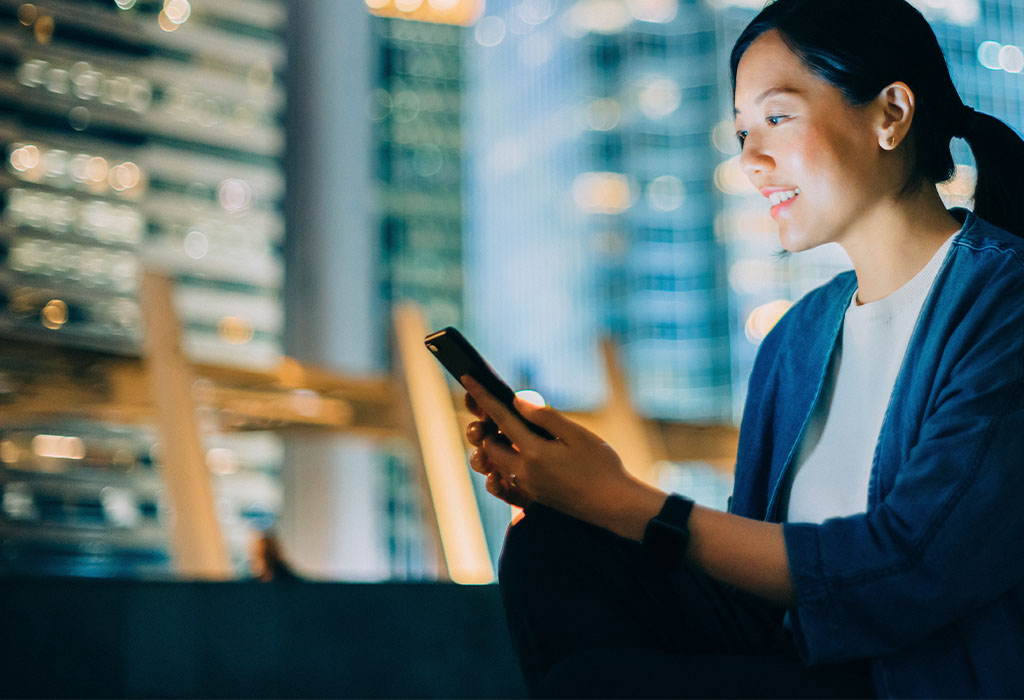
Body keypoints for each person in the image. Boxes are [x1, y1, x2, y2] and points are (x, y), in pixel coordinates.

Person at [460, 0, 1024, 697]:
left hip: (920, 681)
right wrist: (582, 492)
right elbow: (752, 568)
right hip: (797, 658)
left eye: (777, 118)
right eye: (741, 133)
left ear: (891, 114)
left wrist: (623, 498)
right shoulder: (798, 338)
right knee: (555, 545)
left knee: (597, 683)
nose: (752, 160)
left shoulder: (1003, 302)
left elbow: (913, 568)